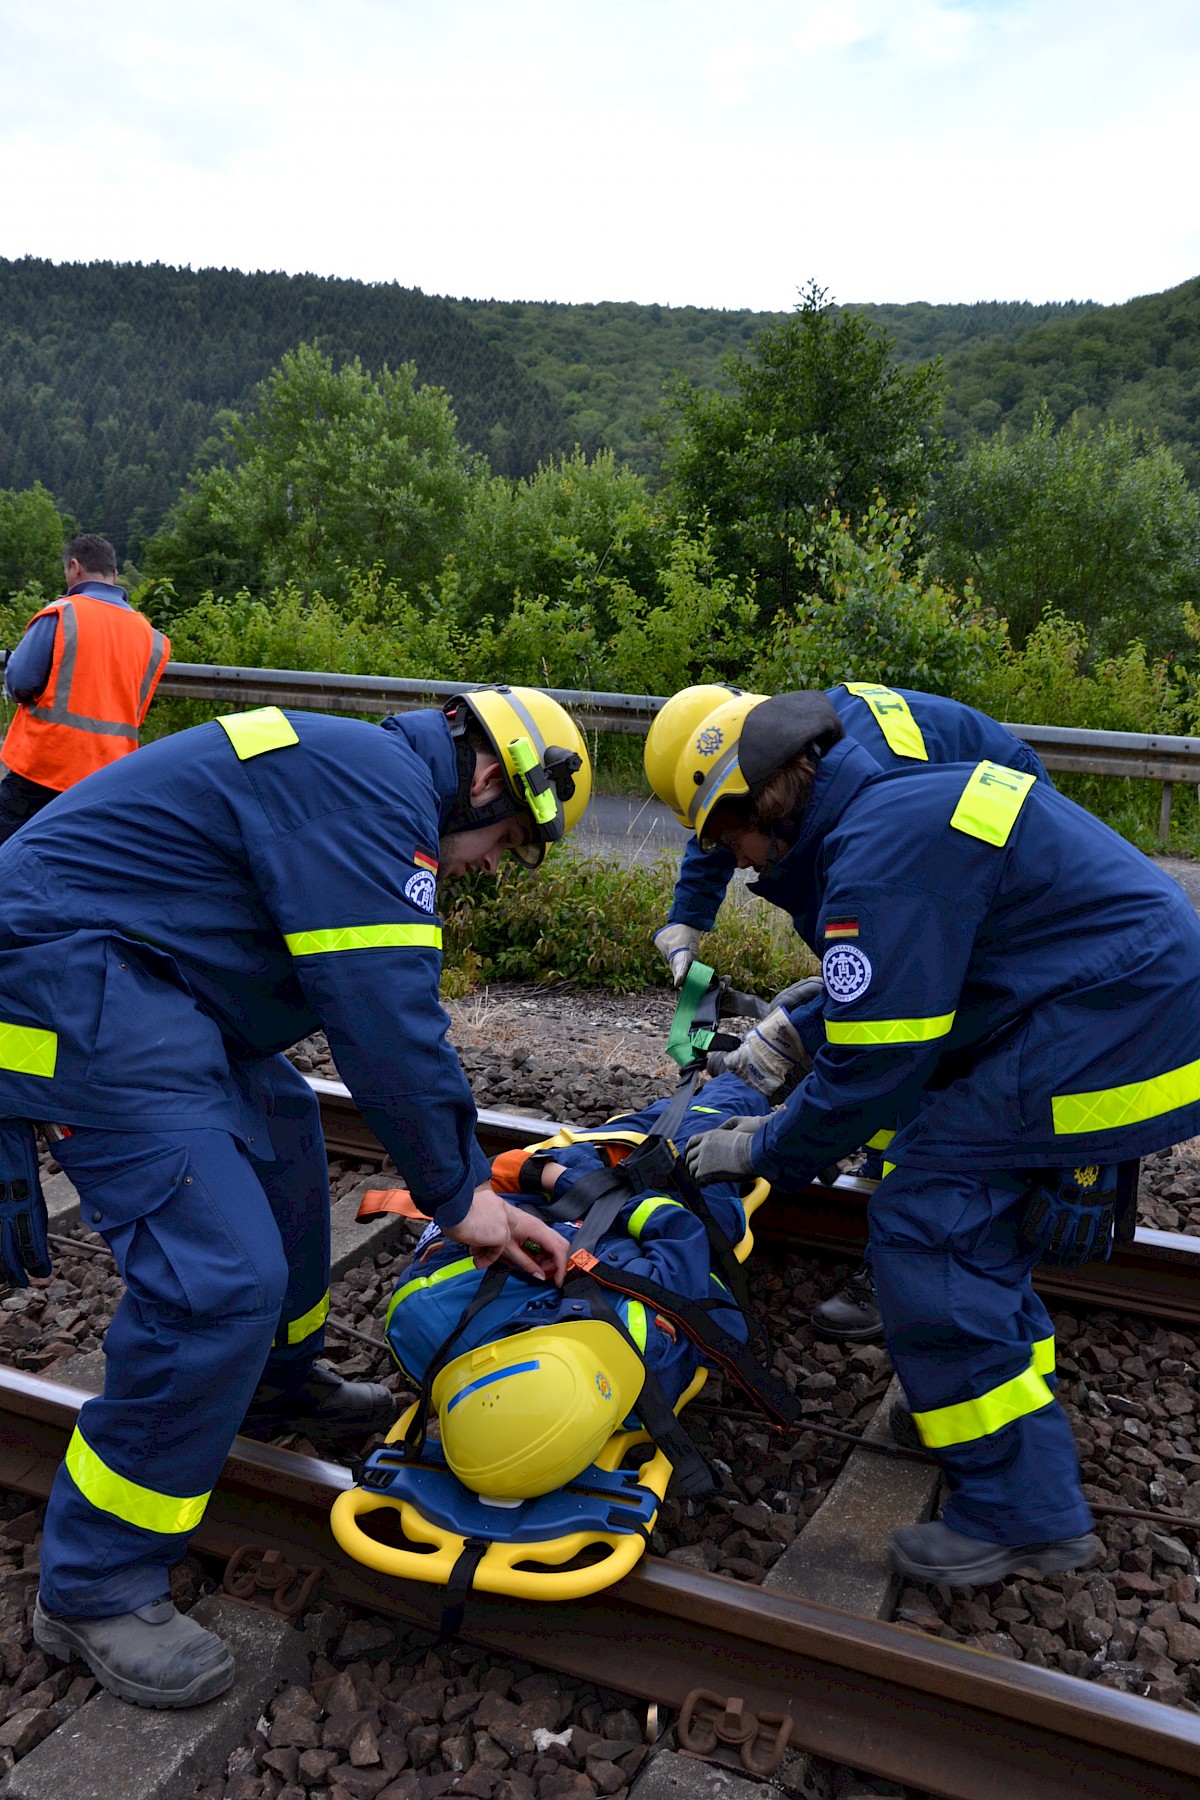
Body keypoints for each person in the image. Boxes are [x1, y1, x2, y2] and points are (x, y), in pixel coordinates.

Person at [0, 684, 589, 1707]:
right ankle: (93, 1584)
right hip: (75, 978)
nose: (495, 865)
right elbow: (387, 1025)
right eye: (509, 843)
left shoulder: (359, 775)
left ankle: (276, 1378)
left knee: (282, 1141)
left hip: (153, 978)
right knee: (217, 1280)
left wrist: (457, 1176)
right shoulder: (373, 796)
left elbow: (376, 1014)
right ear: (488, 778)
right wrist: (462, 1198)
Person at [677, 690, 1200, 1586]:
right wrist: (811, 1021)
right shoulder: (885, 810)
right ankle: (979, 1402)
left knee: (928, 1217)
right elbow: (909, 996)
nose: (739, 866)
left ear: (756, 809)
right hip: (1125, 997)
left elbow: (874, 1072)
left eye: (729, 844)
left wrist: (761, 1148)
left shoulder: (876, 854)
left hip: (1116, 1020)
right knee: (979, 1218)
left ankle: (1021, 1513)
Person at [644, 681, 1050, 1344]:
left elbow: (897, 997)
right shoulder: (781, 759)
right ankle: (872, 1157)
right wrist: (687, 922)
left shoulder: (878, 801)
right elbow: (720, 822)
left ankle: (900, 1259)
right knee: (871, 1034)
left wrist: (797, 1046)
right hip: (913, 840)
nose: (732, 856)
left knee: (920, 1051)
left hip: (992, 824)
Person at [377, 1070, 777, 1505]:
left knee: (657, 1119)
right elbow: (686, 1233)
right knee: (712, 1113)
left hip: (586, 1178)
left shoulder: (421, 1321)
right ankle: (755, 1074)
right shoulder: (642, 1355)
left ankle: (746, 1075)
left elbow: (482, 1199)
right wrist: (571, 1184)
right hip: (666, 1188)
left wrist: (570, 1183)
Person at [0, 534, 170, 845]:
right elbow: (134, 710)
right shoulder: (151, 638)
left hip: (43, 769)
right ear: (114, 574)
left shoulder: (63, 613)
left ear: (75, 567)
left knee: (11, 858)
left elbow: (20, 683)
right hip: (108, 776)